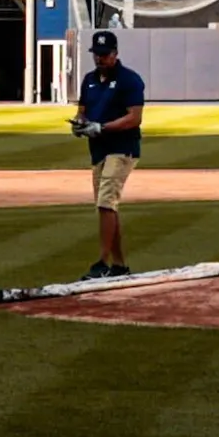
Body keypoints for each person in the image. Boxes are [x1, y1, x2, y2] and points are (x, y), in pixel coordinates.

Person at [69, 29, 144, 279]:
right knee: (107, 207)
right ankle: (120, 265)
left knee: (105, 203)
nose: (100, 59)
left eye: (104, 54)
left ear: (115, 54)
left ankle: (102, 262)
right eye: (96, 54)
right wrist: (80, 124)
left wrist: (101, 127)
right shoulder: (89, 79)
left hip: (122, 148)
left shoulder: (129, 80)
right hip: (98, 149)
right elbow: (83, 109)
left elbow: (134, 118)